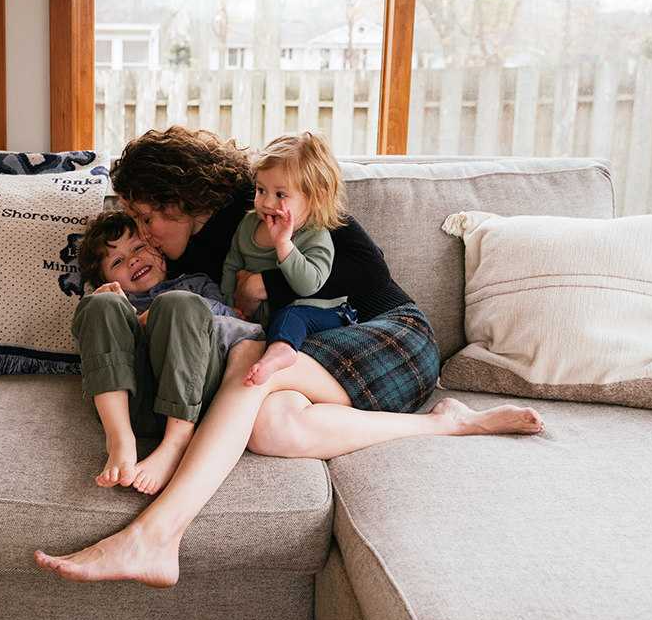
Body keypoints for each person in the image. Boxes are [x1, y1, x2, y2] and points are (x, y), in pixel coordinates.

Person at [35, 126, 544, 588]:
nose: (143, 234)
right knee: (269, 427)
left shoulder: (268, 202)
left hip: (388, 335)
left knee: (250, 360)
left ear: (180, 200)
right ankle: (445, 425)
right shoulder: (178, 261)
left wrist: (266, 280)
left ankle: (157, 535)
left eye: (146, 217)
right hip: (314, 353)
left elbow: (367, 269)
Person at [72, 210, 263, 495]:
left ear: (159, 251)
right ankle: (120, 439)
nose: (133, 260)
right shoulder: (117, 302)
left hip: (195, 397)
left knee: (177, 303)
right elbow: (95, 354)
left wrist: (154, 317)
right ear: (106, 276)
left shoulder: (195, 283)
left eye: (138, 247)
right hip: (134, 402)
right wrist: (126, 317)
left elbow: (230, 326)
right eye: (117, 261)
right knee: (97, 305)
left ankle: (176, 444)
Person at [221, 132, 359, 386]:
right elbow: (232, 266)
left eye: (280, 195)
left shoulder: (315, 233)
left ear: (317, 198)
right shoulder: (249, 224)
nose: (266, 202)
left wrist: (283, 244)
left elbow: (308, 285)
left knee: (288, 316)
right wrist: (231, 307)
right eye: (261, 190)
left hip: (323, 313)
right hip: (269, 312)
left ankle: (281, 351)